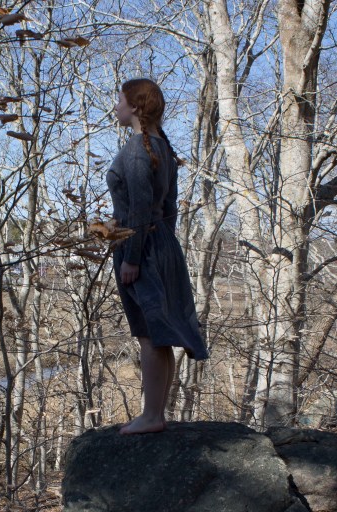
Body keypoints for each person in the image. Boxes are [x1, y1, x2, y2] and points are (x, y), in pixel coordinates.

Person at [107, 78, 210, 435]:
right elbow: (167, 209)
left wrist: (132, 257)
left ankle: (152, 416)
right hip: (162, 243)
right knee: (160, 333)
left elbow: (138, 209)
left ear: (135, 107)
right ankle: (156, 413)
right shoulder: (162, 148)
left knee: (150, 333)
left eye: (120, 100)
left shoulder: (138, 149)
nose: (116, 107)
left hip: (142, 248)